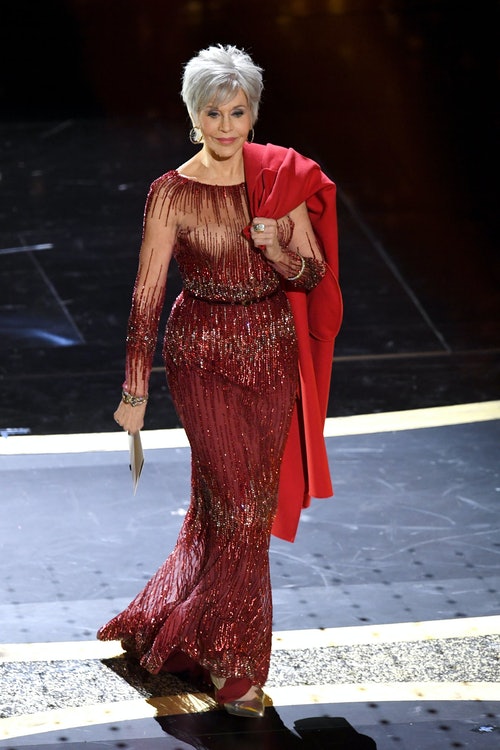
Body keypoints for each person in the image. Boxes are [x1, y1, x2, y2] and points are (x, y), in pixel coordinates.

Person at [97, 44, 342, 718]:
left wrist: (277, 248)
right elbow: (146, 296)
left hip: (270, 349)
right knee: (236, 506)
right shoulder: (171, 192)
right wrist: (134, 392)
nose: (227, 125)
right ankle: (235, 663)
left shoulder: (277, 182)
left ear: (252, 112)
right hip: (201, 353)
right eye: (214, 113)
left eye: (238, 111)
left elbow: (313, 274)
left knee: (240, 507)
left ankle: (178, 623)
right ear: (193, 115)